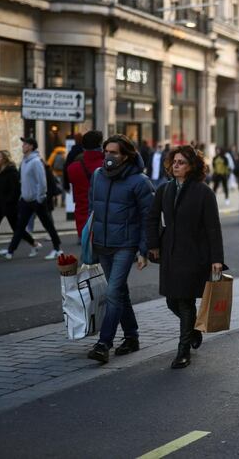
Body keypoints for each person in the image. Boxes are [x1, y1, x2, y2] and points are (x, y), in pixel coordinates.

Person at [147, 146, 225, 369]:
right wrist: (152, 244)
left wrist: (216, 258)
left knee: (185, 301)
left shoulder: (203, 192)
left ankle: (183, 352)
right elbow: (152, 217)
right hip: (170, 252)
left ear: (192, 166)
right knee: (172, 300)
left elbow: (213, 228)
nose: (176, 166)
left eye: (181, 162)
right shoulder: (164, 189)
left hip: (194, 254)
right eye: (174, 162)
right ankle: (192, 330)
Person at [86, 134, 154, 364]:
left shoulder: (140, 182)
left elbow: (148, 218)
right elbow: (91, 207)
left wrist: (144, 250)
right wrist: (89, 237)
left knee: (113, 293)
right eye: (106, 152)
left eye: (114, 152)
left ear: (126, 156)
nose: (108, 156)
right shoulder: (97, 176)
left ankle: (104, 343)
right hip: (102, 244)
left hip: (125, 245)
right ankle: (132, 336)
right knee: (120, 292)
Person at [0, 137, 63, 260]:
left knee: (48, 225)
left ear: (31, 147)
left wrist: (40, 198)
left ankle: (58, 249)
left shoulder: (36, 162)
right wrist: (23, 196)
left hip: (37, 201)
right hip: (26, 200)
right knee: (20, 227)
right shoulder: (25, 162)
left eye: (25, 144)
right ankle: (10, 252)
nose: (23, 146)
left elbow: (42, 182)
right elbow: (24, 181)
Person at [0, 151, 41, 260]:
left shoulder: (12, 172)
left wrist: (10, 201)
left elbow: (16, 190)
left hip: (10, 206)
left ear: (5, 159)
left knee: (17, 229)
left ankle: (34, 244)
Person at [66, 130, 105, 237]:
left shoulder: (72, 168)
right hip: (103, 221)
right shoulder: (106, 167)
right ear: (100, 144)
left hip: (82, 221)